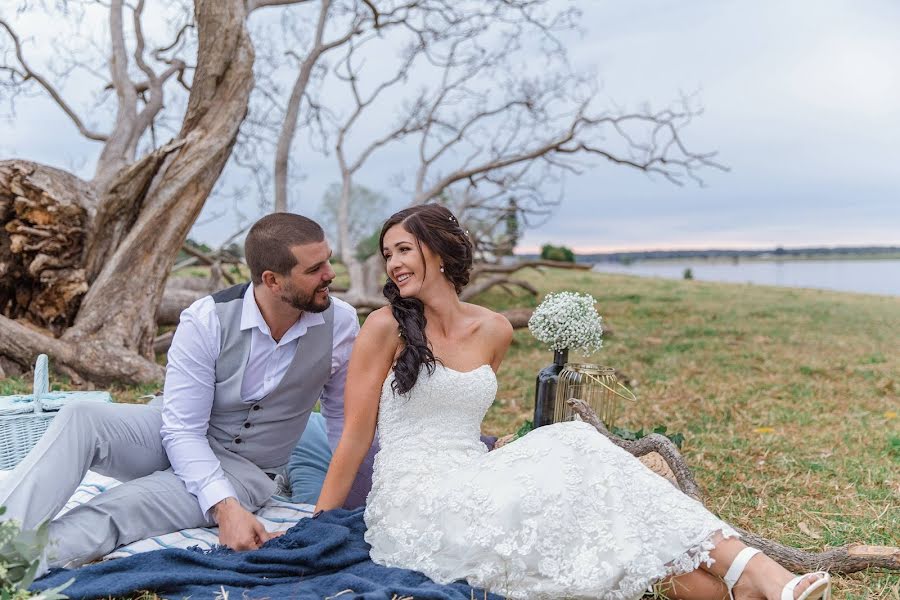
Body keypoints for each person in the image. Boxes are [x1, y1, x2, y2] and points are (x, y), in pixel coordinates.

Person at [314, 204, 832, 600]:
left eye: (404, 249)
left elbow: (463, 419)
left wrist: (499, 461)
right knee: (572, 444)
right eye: (388, 254)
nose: (393, 263)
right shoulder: (384, 327)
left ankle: (743, 584)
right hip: (416, 500)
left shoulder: (494, 330)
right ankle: (760, 570)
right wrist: (320, 525)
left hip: (471, 474)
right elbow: (357, 435)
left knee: (598, 508)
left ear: (442, 252)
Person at [0, 213, 373, 573]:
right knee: (80, 417)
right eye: (314, 269)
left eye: (327, 261)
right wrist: (225, 510)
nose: (330, 275)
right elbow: (181, 431)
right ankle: (5, 537)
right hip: (173, 435)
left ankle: (12, 565)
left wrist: (351, 507)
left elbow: (344, 420)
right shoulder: (207, 319)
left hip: (245, 470)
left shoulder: (339, 323)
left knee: (120, 507)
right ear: (272, 280)